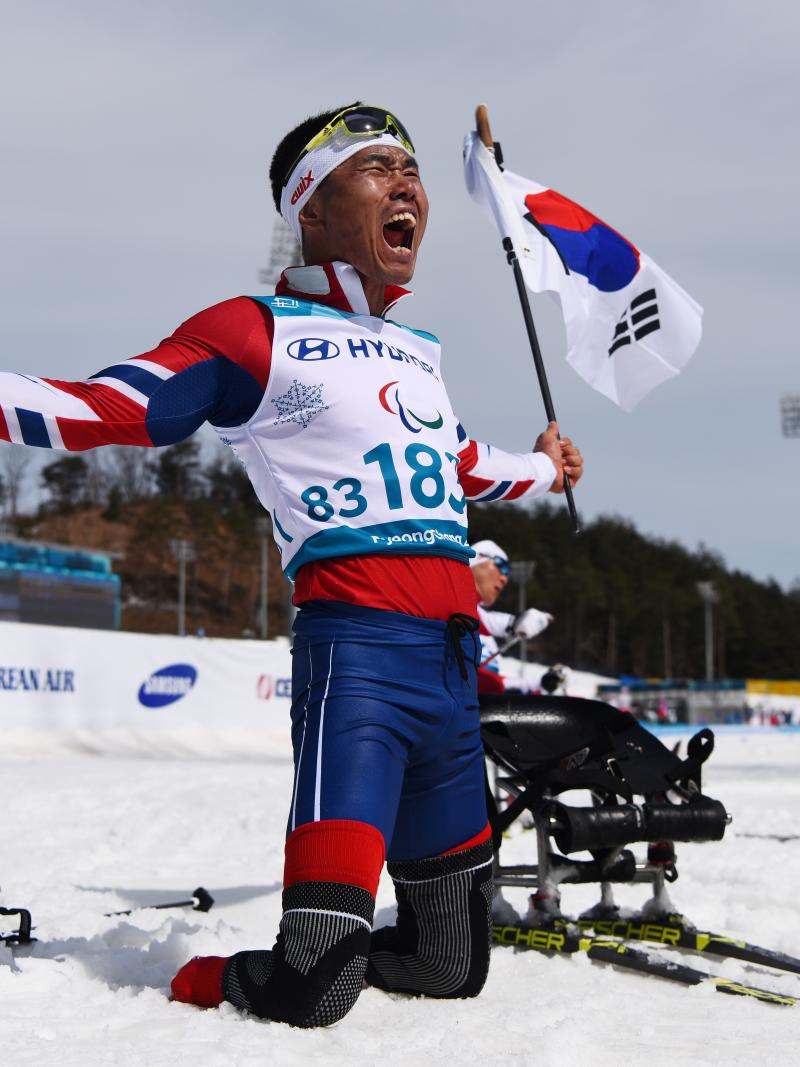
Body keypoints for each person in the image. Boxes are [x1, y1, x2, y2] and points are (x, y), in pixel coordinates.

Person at [0, 103, 583, 1027]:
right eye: (377, 168)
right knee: (315, 987)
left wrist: (545, 467)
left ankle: (348, 941)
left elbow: (463, 462)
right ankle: (188, 980)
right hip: (359, 672)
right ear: (312, 209)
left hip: (449, 678)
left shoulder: (417, 356)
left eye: (413, 168)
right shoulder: (252, 331)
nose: (409, 185)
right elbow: (109, 407)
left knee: (450, 966)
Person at [469, 539, 553, 695]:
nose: (504, 578)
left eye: (507, 573)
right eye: (501, 566)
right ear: (477, 559)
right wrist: (513, 623)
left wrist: (540, 683)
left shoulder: (485, 631)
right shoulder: (445, 602)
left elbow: (493, 684)